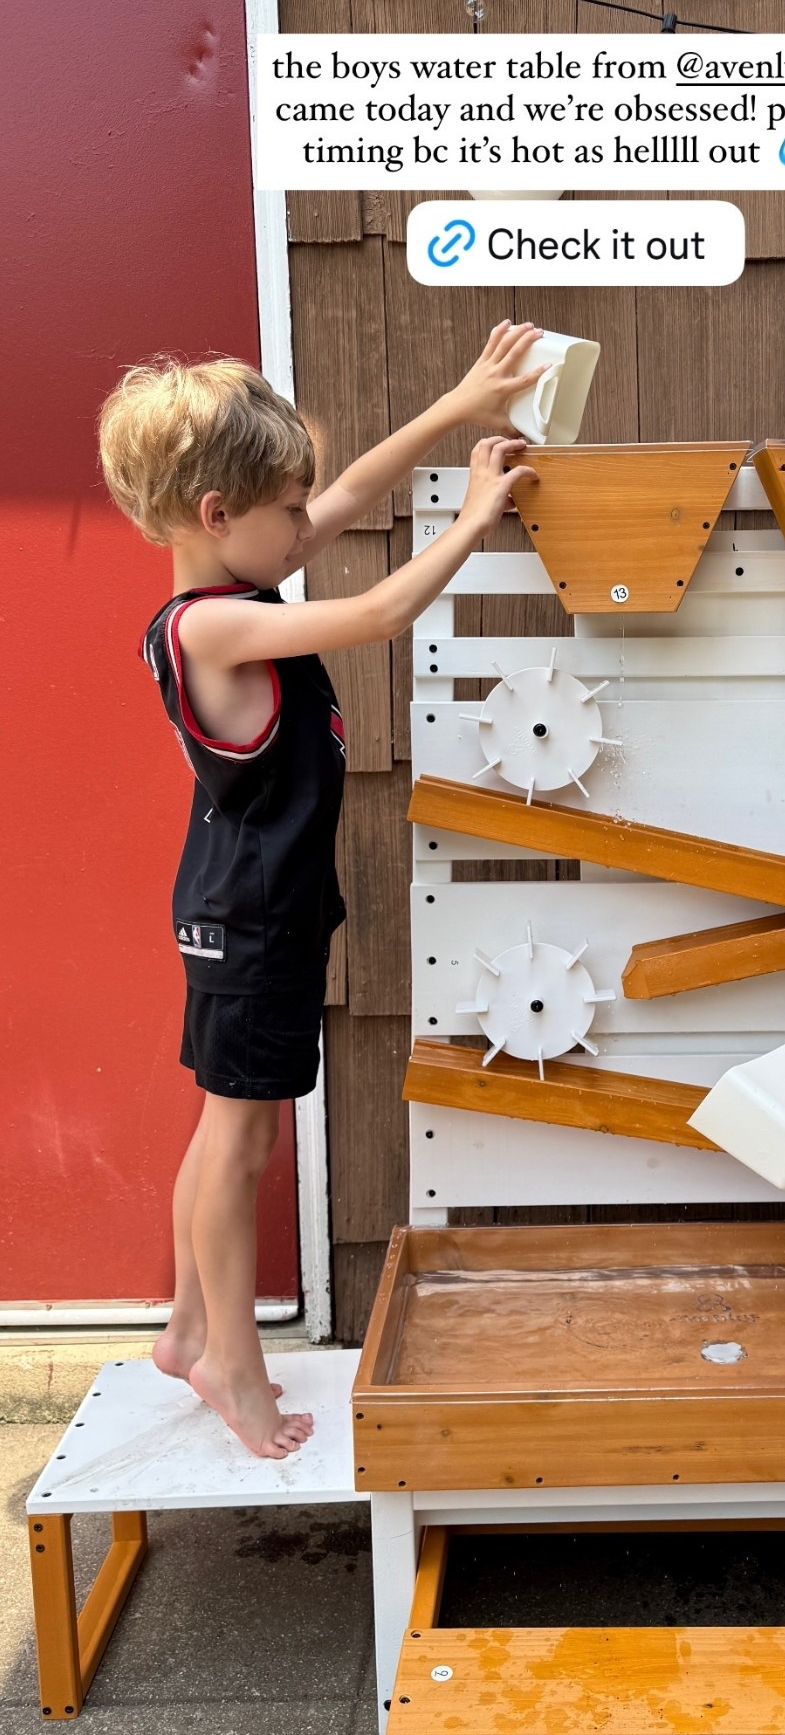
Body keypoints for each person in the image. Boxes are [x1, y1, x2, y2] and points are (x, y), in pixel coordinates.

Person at [97, 322, 546, 1458]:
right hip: (249, 919)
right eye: (287, 511)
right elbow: (384, 612)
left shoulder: (233, 583)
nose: (310, 525)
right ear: (216, 515)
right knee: (243, 1142)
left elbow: (345, 489)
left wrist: (458, 403)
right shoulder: (217, 625)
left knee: (225, 1125)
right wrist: (472, 524)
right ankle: (231, 1366)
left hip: (249, 907)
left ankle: (188, 1324)